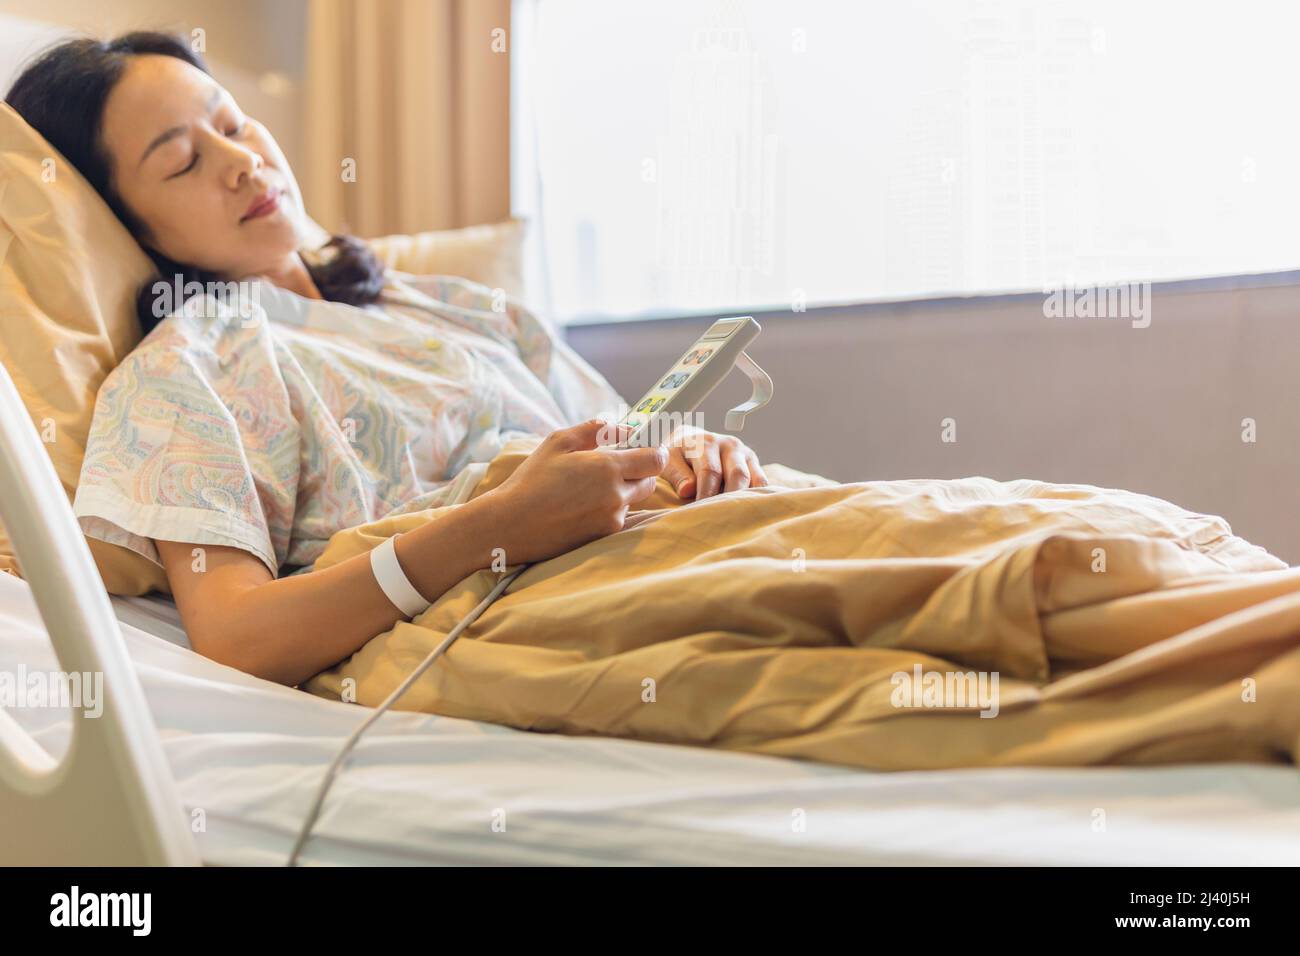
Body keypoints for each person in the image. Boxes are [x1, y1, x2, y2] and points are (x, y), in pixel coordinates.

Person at [6, 32, 768, 686]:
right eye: (181, 163)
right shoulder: (186, 371)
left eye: (234, 123)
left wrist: (687, 460)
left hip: (692, 537)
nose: (240, 162)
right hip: (543, 603)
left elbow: (614, 441)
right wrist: (496, 526)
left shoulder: (451, 305)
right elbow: (238, 635)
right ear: (127, 227)